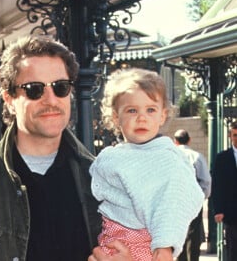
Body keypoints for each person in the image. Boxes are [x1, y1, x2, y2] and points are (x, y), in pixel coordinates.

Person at [0, 36, 133, 261]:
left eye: (61, 87)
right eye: (34, 89)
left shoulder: (100, 178)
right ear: (9, 98)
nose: (50, 100)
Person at [89, 68, 204, 261]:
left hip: (147, 244)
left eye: (150, 110)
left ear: (162, 115)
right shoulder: (110, 156)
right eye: (132, 110)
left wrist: (165, 244)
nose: (141, 117)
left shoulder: (168, 158)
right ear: (116, 117)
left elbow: (176, 201)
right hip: (109, 239)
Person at [174, 129, 211, 261]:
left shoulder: (170, 157)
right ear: (189, 140)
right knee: (193, 234)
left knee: (177, 232)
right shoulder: (197, 157)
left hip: (174, 201)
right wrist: (202, 197)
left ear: (175, 141)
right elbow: (206, 181)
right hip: (192, 199)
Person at [212, 120, 237, 261]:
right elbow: (217, 185)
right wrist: (218, 210)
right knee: (233, 249)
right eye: (235, 135)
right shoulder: (222, 158)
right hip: (231, 212)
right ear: (230, 136)